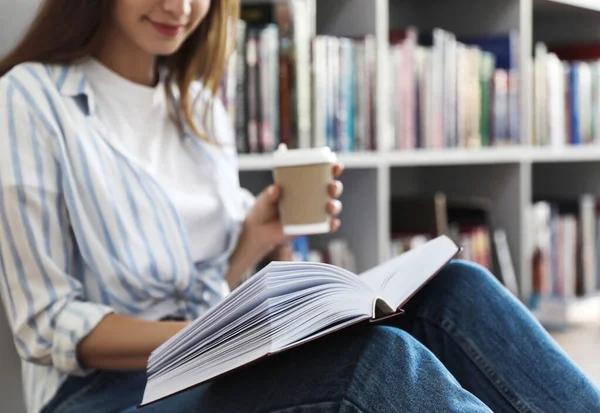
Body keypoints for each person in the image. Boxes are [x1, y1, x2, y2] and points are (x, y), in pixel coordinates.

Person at [0, 1, 598, 412]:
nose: (178, 4)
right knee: (374, 361)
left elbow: (204, 283)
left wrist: (253, 243)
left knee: (455, 288)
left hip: (209, 365)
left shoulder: (200, 109)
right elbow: (46, 321)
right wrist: (206, 339)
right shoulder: (29, 99)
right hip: (107, 394)